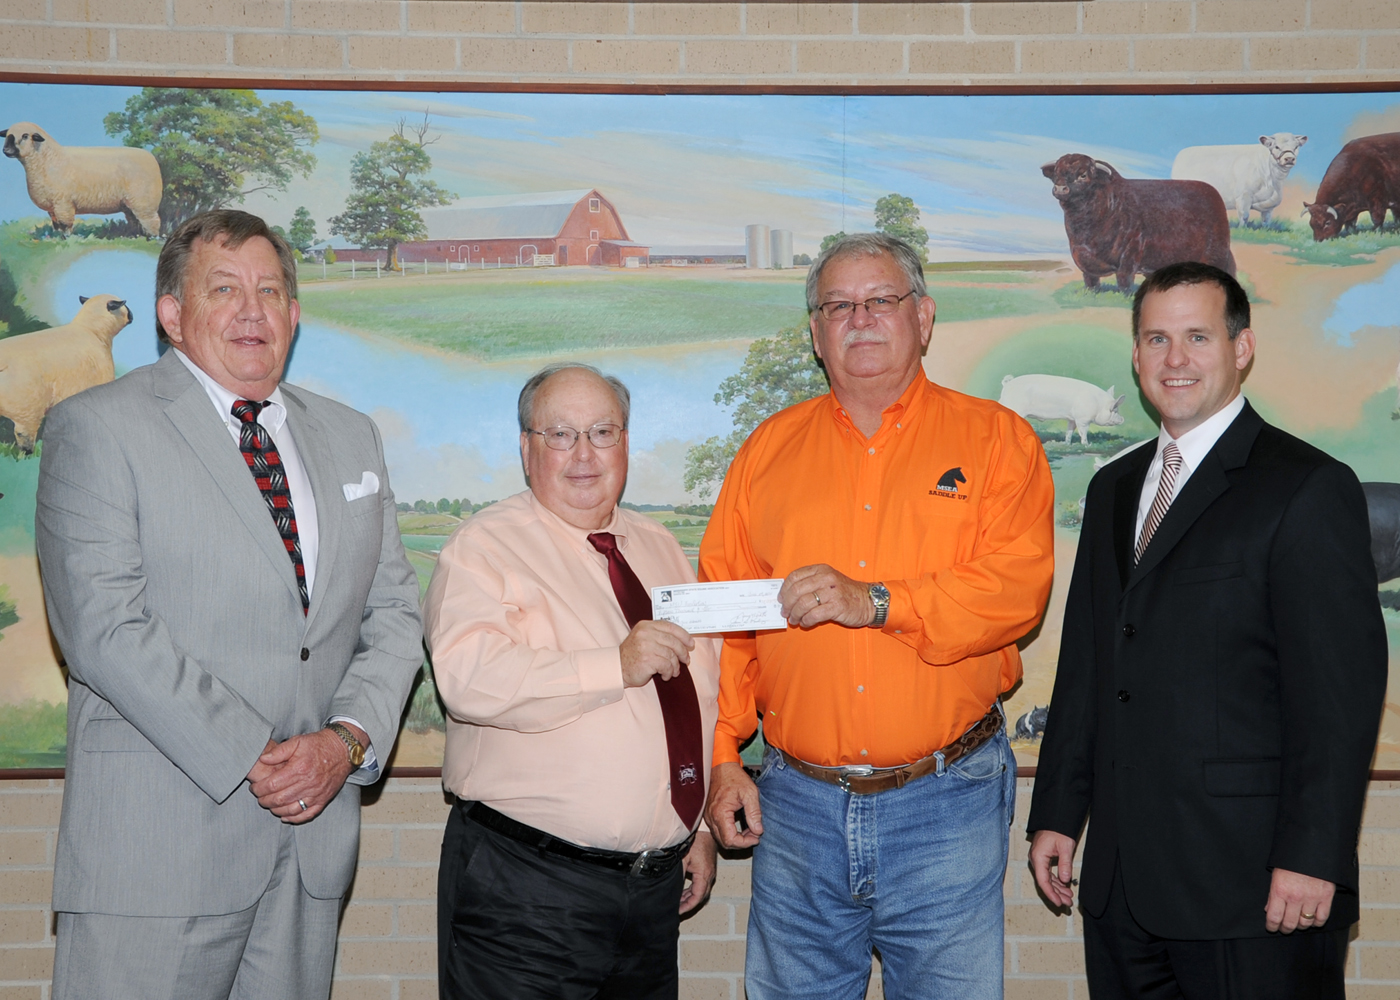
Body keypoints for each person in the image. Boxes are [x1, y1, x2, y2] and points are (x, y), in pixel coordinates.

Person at [35, 210, 424, 1000]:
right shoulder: (96, 427)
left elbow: (394, 614)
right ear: (173, 315)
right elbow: (103, 631)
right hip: (156, 857)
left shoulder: (352, 438)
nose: (253, 310)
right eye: (224, 290)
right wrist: (260, 754)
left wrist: (344, 743)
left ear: (295, 314)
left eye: (270, 290)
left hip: (308, 848)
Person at [700, 232, 1056, 999]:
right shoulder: (766, 452)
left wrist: (878, 602)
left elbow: (1013, 592)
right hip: (795, 807)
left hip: (945, 801)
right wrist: (725, 754)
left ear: (923, 318)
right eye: (838, 305)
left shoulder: (999, 442)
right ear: (816, 334)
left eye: (880, 300)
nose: (859, 319)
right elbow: (728, 618)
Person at [1027, 261, 1388, 999]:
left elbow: (1339, 697)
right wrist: (1058, 813)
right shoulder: (1113, 489)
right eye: (1156, 339)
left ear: (1242, 347)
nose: (1175, 359)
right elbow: (1091, 664)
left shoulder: (1307, 486)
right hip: (1124, 886)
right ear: (1134, 357)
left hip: (1254, 889)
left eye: (1197, 336)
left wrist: (1313, 856)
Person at [423, 363, 720, 1000]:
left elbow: (694, 696)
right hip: (526, 893)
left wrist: (687, 830)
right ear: (526, 448)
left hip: (652, 896)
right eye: (559, 435)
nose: (584, 455)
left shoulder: (660, 546)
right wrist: (612, 665)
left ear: (627, 444)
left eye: (602, 433)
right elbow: (468, 678)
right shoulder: (483, 548)